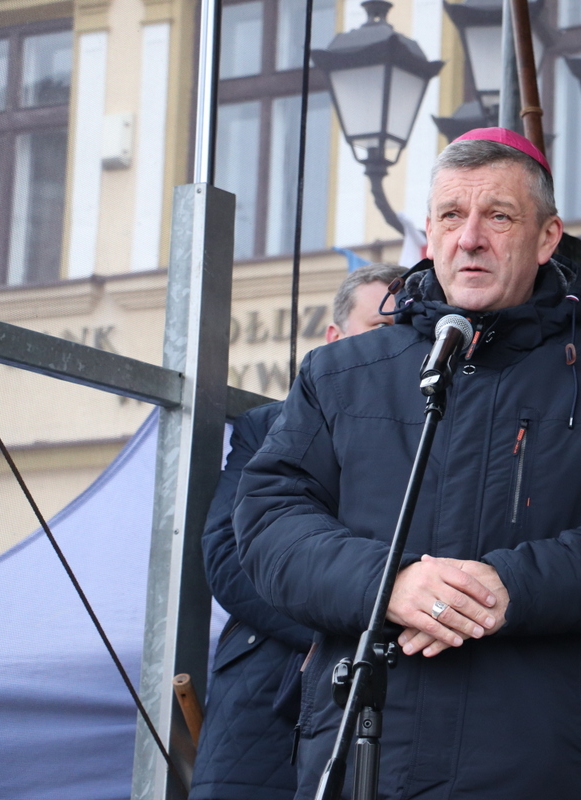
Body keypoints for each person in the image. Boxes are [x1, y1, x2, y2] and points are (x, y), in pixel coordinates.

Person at [233, 127, 581, 800]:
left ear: (547, 238)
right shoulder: (339, 374)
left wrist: (511, 587)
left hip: (542, 762)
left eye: (499, 216)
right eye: (451, 216)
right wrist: (389, 584)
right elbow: (269, 520)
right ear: (428, 235)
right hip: (365, 757)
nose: (470, 239)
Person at [190, 263, 406, 800]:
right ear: (333, 337)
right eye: (380, 328)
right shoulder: (268, 424)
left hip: (382, 685)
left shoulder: (434, 430)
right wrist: (341, 627)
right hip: (267, 691)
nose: (396, 343)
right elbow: (230, 556)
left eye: (407, 330)